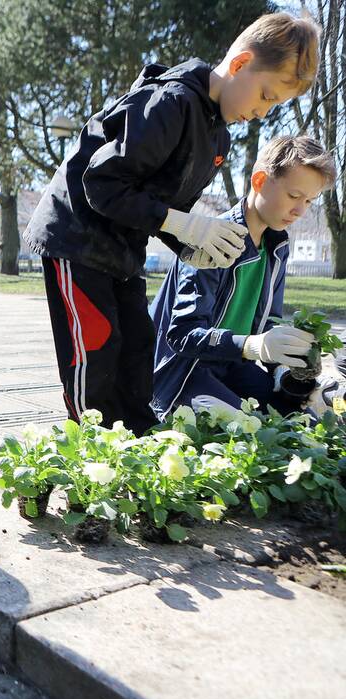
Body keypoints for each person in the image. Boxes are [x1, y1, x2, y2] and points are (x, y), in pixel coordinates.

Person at [22, 12, 321, 434]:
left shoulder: (218, 137)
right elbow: (102, 183)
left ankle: (142, 447)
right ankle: (90, 454)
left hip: (123, 249)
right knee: (96, 353)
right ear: (240, 65)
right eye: (266, 95)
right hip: (76, 238)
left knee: (138, 350)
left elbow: (163, 209)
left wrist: (191, 246)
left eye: (273, 105)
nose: (262, 112)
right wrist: (186, 227)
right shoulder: (169, 102)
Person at [150, 136, 339, 417]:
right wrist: (253, 345)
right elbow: (181, 335)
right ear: (260, 181)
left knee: (297, 419)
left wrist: (292, 370)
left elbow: (271, 325)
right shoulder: (212, 238)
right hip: (183, 372)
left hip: (233, 365)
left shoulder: (278, 247)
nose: (300, 210)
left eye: (310, 201)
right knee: (249, 425)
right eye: (294, 196)